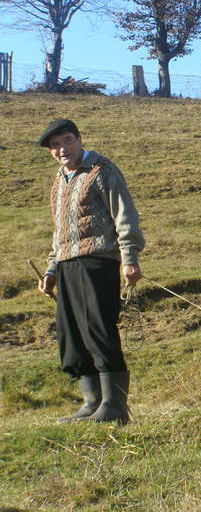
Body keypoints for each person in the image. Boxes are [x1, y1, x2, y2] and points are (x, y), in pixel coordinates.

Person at [37, 118, 145, 424]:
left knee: (98, 329)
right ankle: (91, 402)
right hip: (67, 263)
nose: (61, 150)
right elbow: (59, 229)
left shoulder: (102, 171)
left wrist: (129, 258)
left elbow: (125, 215)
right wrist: (50, 269)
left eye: (66, 141)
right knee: (71, 333)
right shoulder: (60, 180)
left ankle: (114, 407)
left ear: (79, 139)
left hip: (98, 259)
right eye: (55, 146)